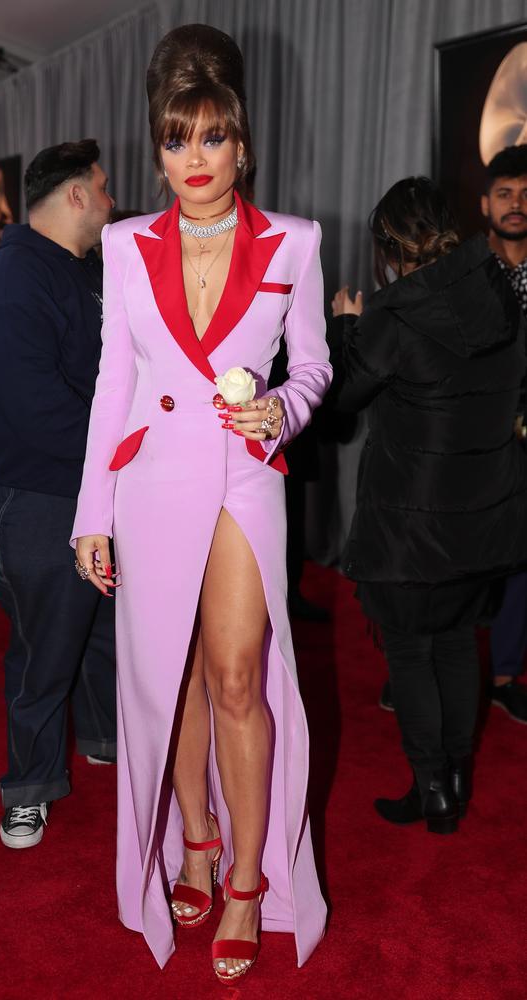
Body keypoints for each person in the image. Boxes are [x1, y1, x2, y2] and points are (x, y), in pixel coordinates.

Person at [72, 24, 331, 981]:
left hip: (241, 479)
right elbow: (112, 388)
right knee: (170, 675)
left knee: (234, 677)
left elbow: (314, 366)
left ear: (244, 143)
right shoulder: (125, 245)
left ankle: (251, 885)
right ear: (157, 147)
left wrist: (281, 408)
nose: (195, 160)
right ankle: (194, 837)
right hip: (148, 486)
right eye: (177, 139)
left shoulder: (294, 244)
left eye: (212, 137)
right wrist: (90, 514)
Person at [330, 177, 527, 834]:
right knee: (454, 645)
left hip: (410, 524)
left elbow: (343, 399)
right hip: (483, 512)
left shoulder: (392, 314)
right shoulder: (497, 291)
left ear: (389, 247)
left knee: (412, 652)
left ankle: (432, 789)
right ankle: (458, 778)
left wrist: (346, 328)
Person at [0, 140, 117, 849]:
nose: (113, 203)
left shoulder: (76, 270)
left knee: (104, 625)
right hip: (36, 496)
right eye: (105, 189)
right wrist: (127, 449)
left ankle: (107, 738)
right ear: (76, 195)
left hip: (91, 485)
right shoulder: (13, 277)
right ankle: (28, 787)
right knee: (44, 644)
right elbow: (37, 408)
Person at [481, 144, 527, 724]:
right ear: (484, 202)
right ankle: (432, 668)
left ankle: (505, 672)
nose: (517, 205)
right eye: (505, 194)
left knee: (520, 558)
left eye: (525, 195)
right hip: (468, 437)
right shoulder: (466, 272)